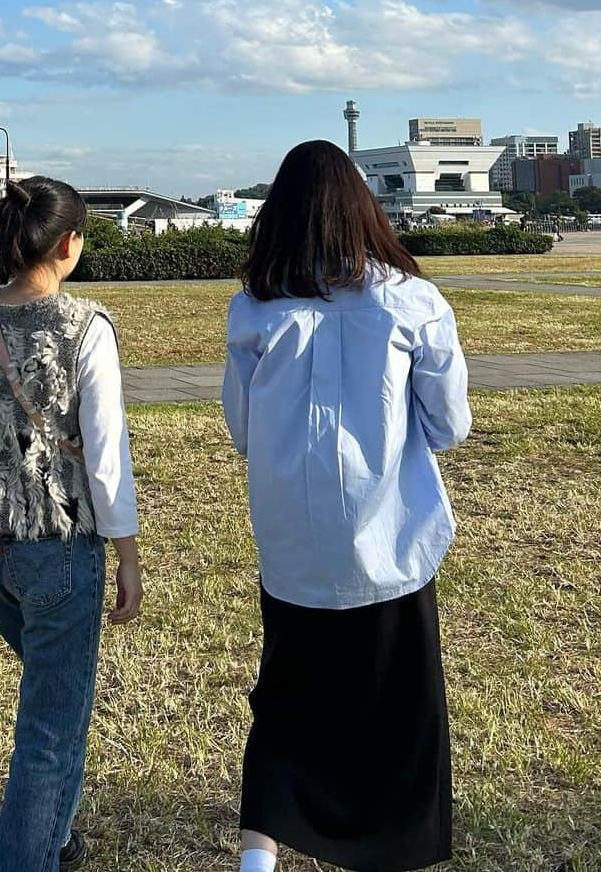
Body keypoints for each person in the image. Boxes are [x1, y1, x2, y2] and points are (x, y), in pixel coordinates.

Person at [222, 140, 471, 872]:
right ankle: (393, 847)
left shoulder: (254, 310)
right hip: (390, 540)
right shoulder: (410, 301)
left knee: (286, 703)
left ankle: (257, 856)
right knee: (399, 714)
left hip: (294, 546)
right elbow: (450, 426)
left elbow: (242, 429)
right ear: (363, 207)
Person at [0, 176, 142, 872]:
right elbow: (106, 452)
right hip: (59, 544)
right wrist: (128, 553)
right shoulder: (85, 326)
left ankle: (56, 837)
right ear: (70, 242)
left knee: (61, 698)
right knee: (50, 728)